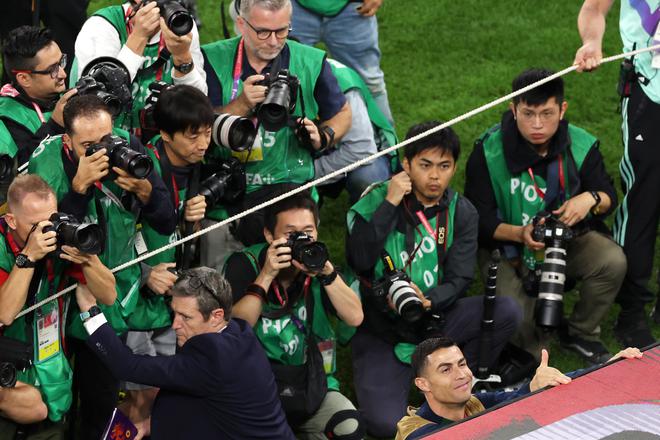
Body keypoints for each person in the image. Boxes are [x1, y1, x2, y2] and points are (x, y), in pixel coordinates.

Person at [345, 121, 522, 438]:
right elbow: (359, 259)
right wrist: (390, 203)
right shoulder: (374, 200)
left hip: (435, 319)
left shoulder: (461, 211)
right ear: (405, 163)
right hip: (381, 329)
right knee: (388, 426)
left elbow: (460, 277)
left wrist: (430, 301)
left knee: (506, 311)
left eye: (445, 166)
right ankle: (421, 384)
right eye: (425, 166)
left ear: (454, 166)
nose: (435, 176)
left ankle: (463, 387)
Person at [28, 94, 176, 439]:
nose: (101, 152)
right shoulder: (46, 166)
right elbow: (49, 248)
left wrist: (146, 192)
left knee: (103, 400)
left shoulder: (129, 147)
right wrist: (78, 188)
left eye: (106, 140)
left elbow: (167, 221)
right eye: (87, 146)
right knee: (55, 396)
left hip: (112, 294)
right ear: (67, 142)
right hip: (57, 301)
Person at [465, 68, 626, 365]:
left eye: (547, 113)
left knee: (611, 261)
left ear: (562, 109)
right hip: (507, 247)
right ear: (513, 109)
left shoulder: (581, 144)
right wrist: (520, 234)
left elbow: (608, 195)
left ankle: (581, 332)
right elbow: (478, 219)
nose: (537, 124)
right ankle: (529, 340)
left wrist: (589, 199)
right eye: (528, 113)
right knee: (523, 335)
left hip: (567, 242)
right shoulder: (487, 152)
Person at [201, 0, 351, 268]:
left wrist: (323, 136)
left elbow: (342, 113)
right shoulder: (210, 59)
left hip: (291, 195)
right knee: (219, 288)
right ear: (241, 24)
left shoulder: (311, 60)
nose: (273, 41)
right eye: (263, 32)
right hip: (226, 199)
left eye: (282, 31)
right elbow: (195, 128)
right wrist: (241, 106)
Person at [76, 266, 295, 440]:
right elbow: (205, 406)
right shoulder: (240, 332)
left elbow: (125, 365)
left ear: (217, 315)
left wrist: (89, 310)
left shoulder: (213, 358)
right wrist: (147, 425)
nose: (174, 325)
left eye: (186, 317)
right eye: (175, 313)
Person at [224, 192, 365, 439]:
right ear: (269, 235)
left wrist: (327, 273)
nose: (301, 240)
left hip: (310, 384)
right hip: (254, 387)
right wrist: (266, 275)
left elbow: (355, 317)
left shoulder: (319, 265)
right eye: (291, 234)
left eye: (308, 232)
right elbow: (235, 328)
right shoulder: (243, 264)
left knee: (349, 427)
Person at [122, 84, 212, 437]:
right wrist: (144, 273)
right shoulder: (142, 172)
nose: (202, 144)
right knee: (136, 397)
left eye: (206, 133)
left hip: (168, 302)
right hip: (134, 304)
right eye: (193, 136)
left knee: (160, 393)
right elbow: (116, 238)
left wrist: (191, 221)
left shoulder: (196, 167)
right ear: (164, 135)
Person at [0, 174, 116, 439]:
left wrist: (88, 260)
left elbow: (108, 295)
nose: (46, 232)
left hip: (50, 371)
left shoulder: (61, 238)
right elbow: (4, 313)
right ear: (11, 220)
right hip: (8, 373)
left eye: (50, 221)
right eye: (34, 225)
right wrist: (28, 256)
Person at [574, 0, 659, 348]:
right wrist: (592, 42)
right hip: (649, 91)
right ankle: (632, 311)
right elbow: (594, 8)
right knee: (643, 202)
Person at [396, 337, 644, 439]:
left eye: (462, 363)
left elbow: (515, 398)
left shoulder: (473, 402)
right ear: (423, 384)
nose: (462, 375)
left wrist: (607, 368)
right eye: (446, 369)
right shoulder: (417, 433)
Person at [73, 0, 207, 133]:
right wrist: (138, 37)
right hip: (109, 140)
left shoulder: (180, 22)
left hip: (162, 141)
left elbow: (199, 106)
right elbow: (94, 104)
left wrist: (183, 57)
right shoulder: (101, 26)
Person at [289, 0, 394, 124]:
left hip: (353, 7)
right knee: (285, 80)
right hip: (293, 7)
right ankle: (281, 141)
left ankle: (386, 142)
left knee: (370, 84)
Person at [314, 58, 396, 204]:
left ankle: (365, 221)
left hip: (364, 154)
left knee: (367, 178)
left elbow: (361, 150)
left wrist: (307, 173)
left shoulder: (338, 82)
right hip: (315, 151)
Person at [0, 26, 77, 167]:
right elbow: (22, 171)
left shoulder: (64, 95)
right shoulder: (6, 119)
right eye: (52, 69)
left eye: (61, 62)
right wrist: (54, 126)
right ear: (24, 79)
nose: (63, 74)